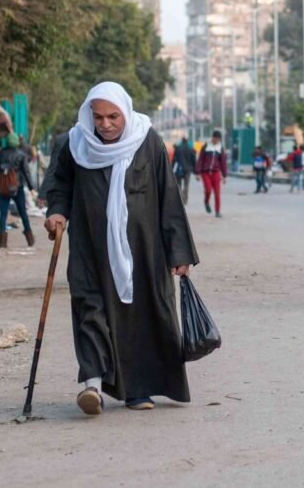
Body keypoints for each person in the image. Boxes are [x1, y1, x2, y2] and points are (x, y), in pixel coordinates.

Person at [44, 82, 199, 415]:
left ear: (125, 113)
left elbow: (168, 199)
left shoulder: (148, 142)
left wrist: (179, 253)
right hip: (89, 246)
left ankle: (139, 390)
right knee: (89, 307)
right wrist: (56, 212)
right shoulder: (74, 144)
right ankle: (93, 386)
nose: (106, 124)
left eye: (113, 116)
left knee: (141, 317)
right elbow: (59, 185)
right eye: (98, 117)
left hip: (143, 252)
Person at [0, 132, 35, 248]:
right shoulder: (21, 155)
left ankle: (2, 242)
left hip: (3, 187)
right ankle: (30, 238)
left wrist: (2, 180)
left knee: (3, 214)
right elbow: (26, 172)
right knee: (23, 212)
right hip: (18, 186)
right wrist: (31, 187)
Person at [195, 130, 227, 217]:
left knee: (217, 193)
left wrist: (224, 175)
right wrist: (197, 172)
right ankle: (206, 202)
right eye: (215, 139)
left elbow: (223, 163)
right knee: (208, 190)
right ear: (212, 138)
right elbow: (200, 160)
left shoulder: (220, 148)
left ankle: (217, 211)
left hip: (216, 173)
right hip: (205, 172)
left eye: (218, 139)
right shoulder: (205, 147)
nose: (216, 141)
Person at [172, 137, 197, 204]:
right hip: (188, 170)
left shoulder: (178, 148)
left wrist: (172, 168)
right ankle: (185, 199)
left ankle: (180, 198)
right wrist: (195, 170)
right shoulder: (191, 149)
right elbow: (194, 160)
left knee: (179, 184)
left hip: (179, 169)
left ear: (182, 141)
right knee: (186, 184)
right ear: (187, 141)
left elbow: (174, 159)